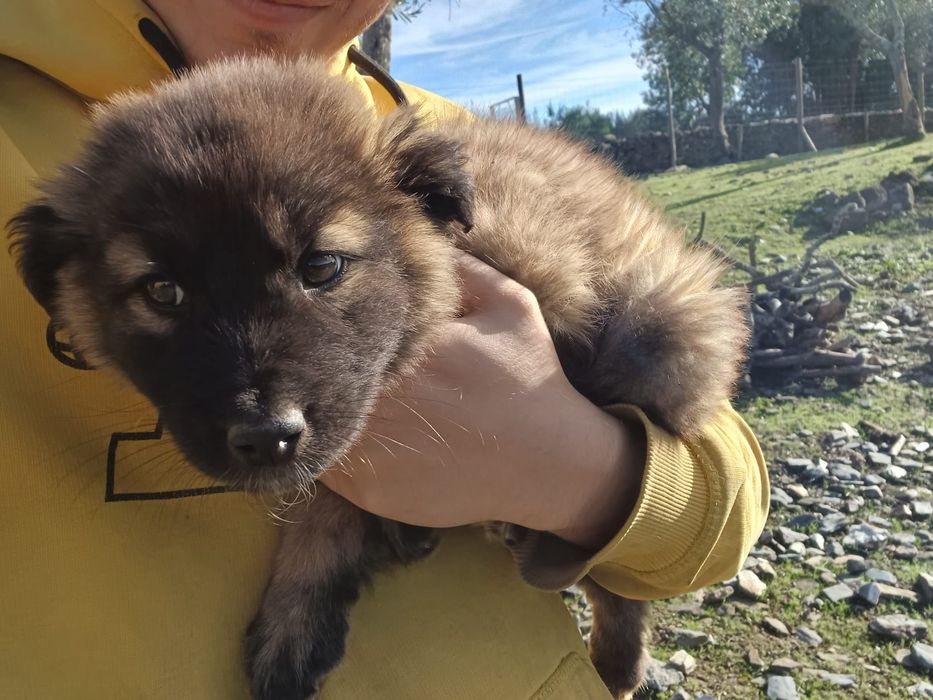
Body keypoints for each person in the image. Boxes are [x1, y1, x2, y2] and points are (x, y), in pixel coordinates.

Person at [0, 1, 769, 698]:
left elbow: (725, 510)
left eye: (321, 269)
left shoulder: (419, 141)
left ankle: (618, 616)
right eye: (164, 293)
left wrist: (576, 469)